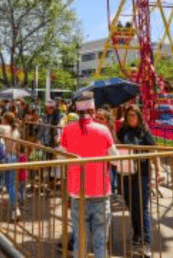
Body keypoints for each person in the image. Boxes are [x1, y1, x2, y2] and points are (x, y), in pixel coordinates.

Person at [58, 92, 118, 258]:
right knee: (100, 242)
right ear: (93, 110)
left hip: (77, 193)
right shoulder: (103, 130)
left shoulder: (68, 130)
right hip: (100, 192)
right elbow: (116, 160)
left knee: (80, 240)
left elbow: (61, 157)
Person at [116, 105, 164, 258]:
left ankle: (146, 243)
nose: (131, 118)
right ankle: (137, 234)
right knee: (131, 206)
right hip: (126, 174)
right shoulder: (122, 132)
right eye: (129, 115)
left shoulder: (144, 132)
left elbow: (154, 151)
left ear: (139, 116)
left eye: (134, 115)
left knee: (142, 209)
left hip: (142, 174)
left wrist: (159, 170)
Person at [0, 112, 21, 219]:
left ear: (5, 120)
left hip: (1, 158)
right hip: (12, 158)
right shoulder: (16, 131)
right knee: (11, 185)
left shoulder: (2, 128)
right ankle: (15, 210)